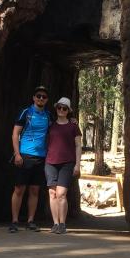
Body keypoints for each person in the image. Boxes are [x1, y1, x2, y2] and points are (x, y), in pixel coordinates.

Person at [9, 86, 52, 232]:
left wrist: (72, 119)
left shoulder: (48, 115)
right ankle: (14, 221)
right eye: (38, 96)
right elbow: (15, 134)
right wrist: (17, 154)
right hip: (24, 155)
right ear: (33, 98)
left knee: (35, 190)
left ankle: (30, 221)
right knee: (19, 189)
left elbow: (56, 129)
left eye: (44, 97)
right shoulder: (26, 112)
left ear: (47, 100)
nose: (41, 98)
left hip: (40, 157)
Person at [45, 97, 82, 234]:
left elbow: (78, 146)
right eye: (59, 107)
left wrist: (77, 165)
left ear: (68, 111)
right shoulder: (50, 125)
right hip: (50, 162)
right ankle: (55, 223)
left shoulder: (73, 126)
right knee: (52, 193)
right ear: (56, 108)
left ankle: (62, 223)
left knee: (61, 194)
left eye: (64, 108)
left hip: (67, 162)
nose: (61, 110)